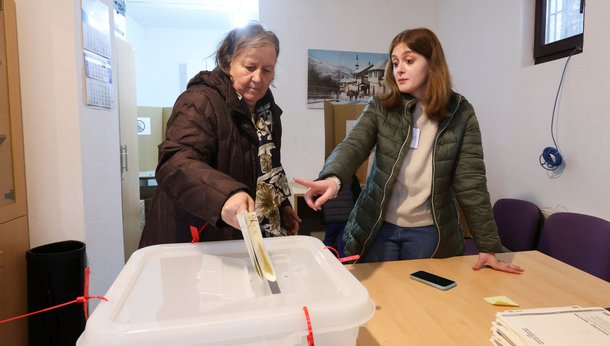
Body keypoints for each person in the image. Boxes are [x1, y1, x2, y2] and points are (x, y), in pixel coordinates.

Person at [294, 28, 521, 274]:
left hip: (429, 232)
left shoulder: (460, 112)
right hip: (379, 226)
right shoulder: (382, 106)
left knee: (423, 301)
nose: (399, 69)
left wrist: (487, 246)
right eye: (394, 63)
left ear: (432, 63)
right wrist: (333, 177)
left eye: (409, 61)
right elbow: (353, 145)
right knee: (381, 299)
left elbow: (471, 182)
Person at [140, 22, 300, 248]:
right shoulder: (199, 101)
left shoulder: (268, 112)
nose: (258, 78)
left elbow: (268, 168)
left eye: (267, 70)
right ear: (228, 63)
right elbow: (175, 161)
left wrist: (282, 206)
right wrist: (225, 195)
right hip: (198, 236)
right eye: (250, 67)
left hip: (244, 235)